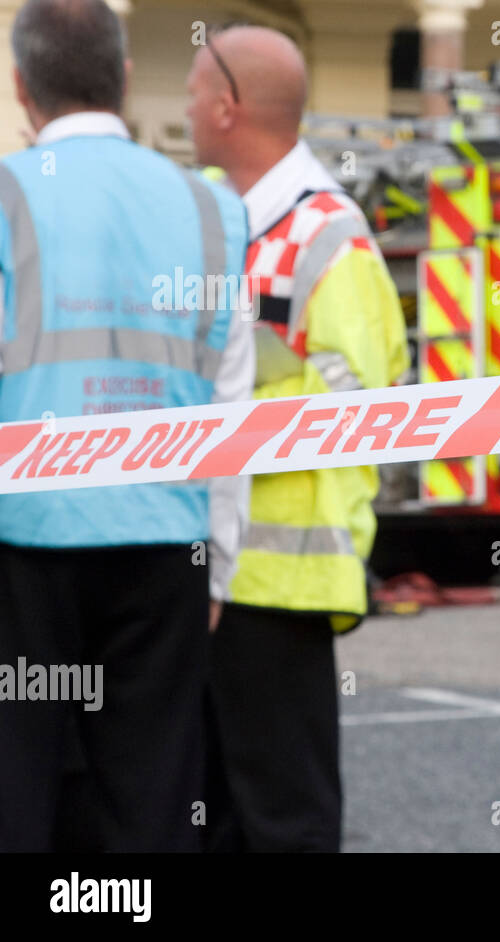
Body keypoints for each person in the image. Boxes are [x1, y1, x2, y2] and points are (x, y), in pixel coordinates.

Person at [0, 0, 253, 851]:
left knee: (20, 783)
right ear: (127, 76)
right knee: (149, 791)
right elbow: (232, 405)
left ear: (20, 84)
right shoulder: (214, 210)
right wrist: (217, 562)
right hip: (162, 543)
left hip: (24, 547)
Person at [186, 26, 409, 852]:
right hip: (211, 570)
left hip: (283, 580)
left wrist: (244, 384)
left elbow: (365, 407)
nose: (181, 109)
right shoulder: (214, 216)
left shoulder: (327, 235)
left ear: (226, 106)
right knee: (212, 819)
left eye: (187, 93)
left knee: (286, 823)